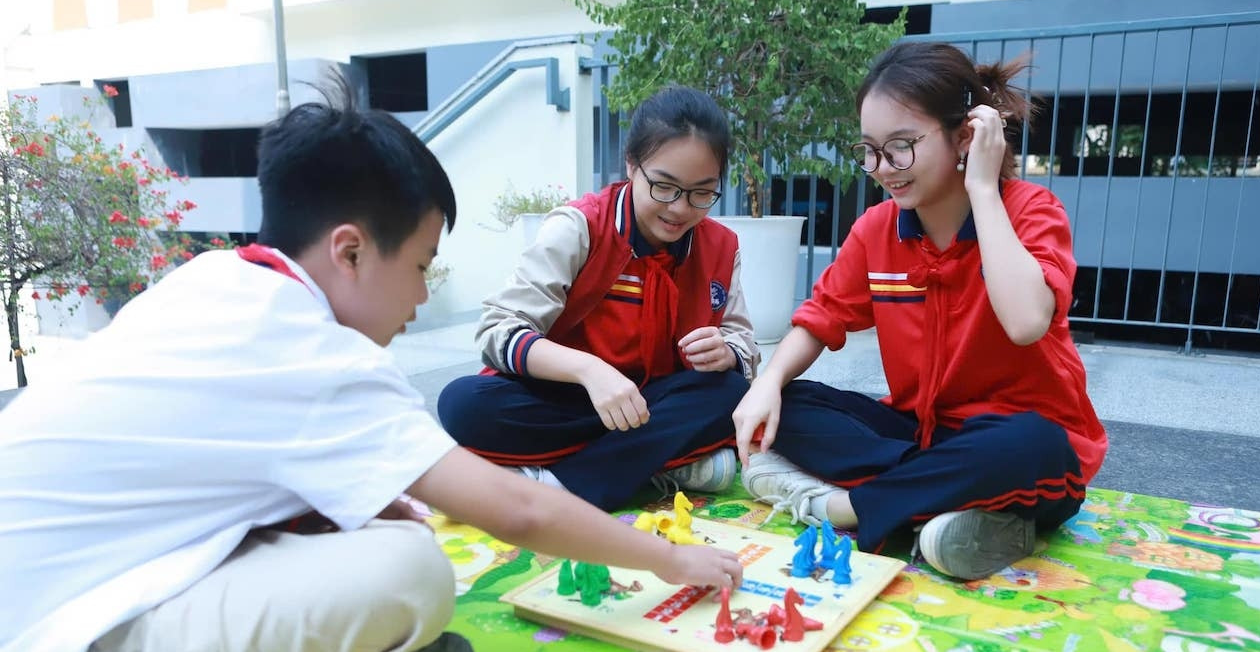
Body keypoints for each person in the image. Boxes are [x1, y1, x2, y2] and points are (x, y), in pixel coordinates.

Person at [0, 81, 744, 652]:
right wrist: (671, 563)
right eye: (422, 265)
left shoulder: (214, 281)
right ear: (351, 250)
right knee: (410, 567)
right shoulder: (316, 351)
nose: (423, 296)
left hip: (41, 575)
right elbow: (516, 510)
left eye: (702, 192)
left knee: (366, 520)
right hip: (54, 621)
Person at [732, 42, 1108, 581]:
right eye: (870, 149)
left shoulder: (1030, 212)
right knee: (784, 401)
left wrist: (982, 187)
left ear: (965, 136)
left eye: (902, 146)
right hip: (922, 437)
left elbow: (1026, 322)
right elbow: (819, 317)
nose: (883, 168)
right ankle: (962, 511)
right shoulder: (878, 229)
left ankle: (848, 508)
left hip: (1015, 444)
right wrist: (766, 383)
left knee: (1035, 446)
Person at [437, 85, 759, 512]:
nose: (680, 209)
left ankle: (561, 483)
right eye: (664, 187)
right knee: (462, 405)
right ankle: (661, 464)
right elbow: (500, 330)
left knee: (730, 391)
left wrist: (727, 352)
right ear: (631, 165)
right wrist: (589, 371)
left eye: (702, 193)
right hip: (568, 397)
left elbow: (744, 346)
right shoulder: (580, 227)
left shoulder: (721, 246)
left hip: (650, 404)